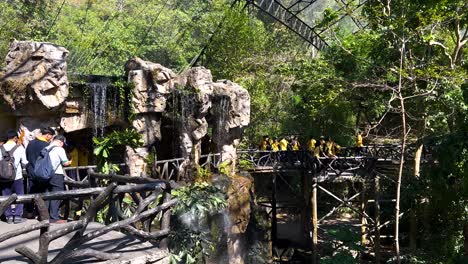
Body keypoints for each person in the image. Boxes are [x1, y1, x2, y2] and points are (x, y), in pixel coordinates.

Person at [24, 127, 54, 218]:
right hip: (41, 172)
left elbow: (27, 156)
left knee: (31, 190)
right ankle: (40, 213)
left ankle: (29, 211)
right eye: (51, 136)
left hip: (31, 171)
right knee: (42, 192)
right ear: (48, 135)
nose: (51, 138)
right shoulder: (46, 145)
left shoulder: (31, 143)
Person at [0, 130, 28, 224]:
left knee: (5, 196)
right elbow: (24, 162)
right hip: (17, 176)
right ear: (15, 138)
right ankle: (17, 216)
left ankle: (8, 217)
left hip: (3, 177)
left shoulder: (0, 148)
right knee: (19, 196)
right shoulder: (20, 148)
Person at [44, 135, 72, 223]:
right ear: (61, 142)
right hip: (56, 175)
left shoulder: (46, 148)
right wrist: (70, 162)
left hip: (45, 174)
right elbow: (65, 163)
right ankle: (54, 217)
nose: (63, 145)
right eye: (63, 143)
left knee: (47, 194)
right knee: (56, 195)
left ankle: (45, 216)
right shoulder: (60, 149)